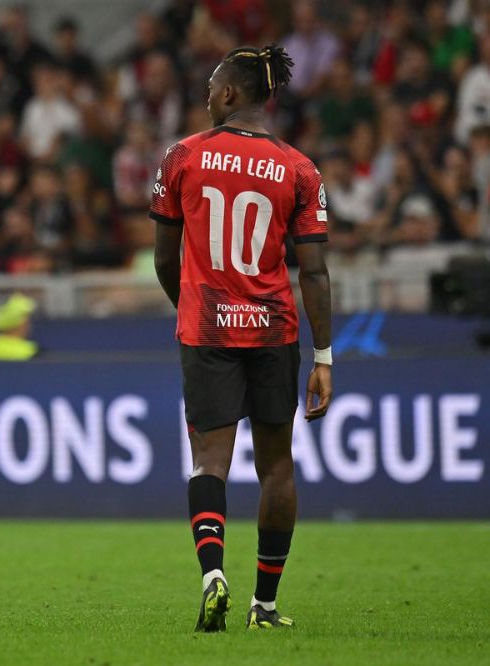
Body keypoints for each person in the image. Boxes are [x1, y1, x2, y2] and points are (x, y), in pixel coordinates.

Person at [151, 44, 332, 632]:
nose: (207, 96)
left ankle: (213, 576)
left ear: (229, 93)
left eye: (211, 87)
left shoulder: (183, 155)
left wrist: (192, 309)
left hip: (207, 329)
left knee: (209, 460)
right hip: (274, 330)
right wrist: (323, 357)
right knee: (277, 466)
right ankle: (266, 605)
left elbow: (164, 259)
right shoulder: (299, 168)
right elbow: (315, 272)